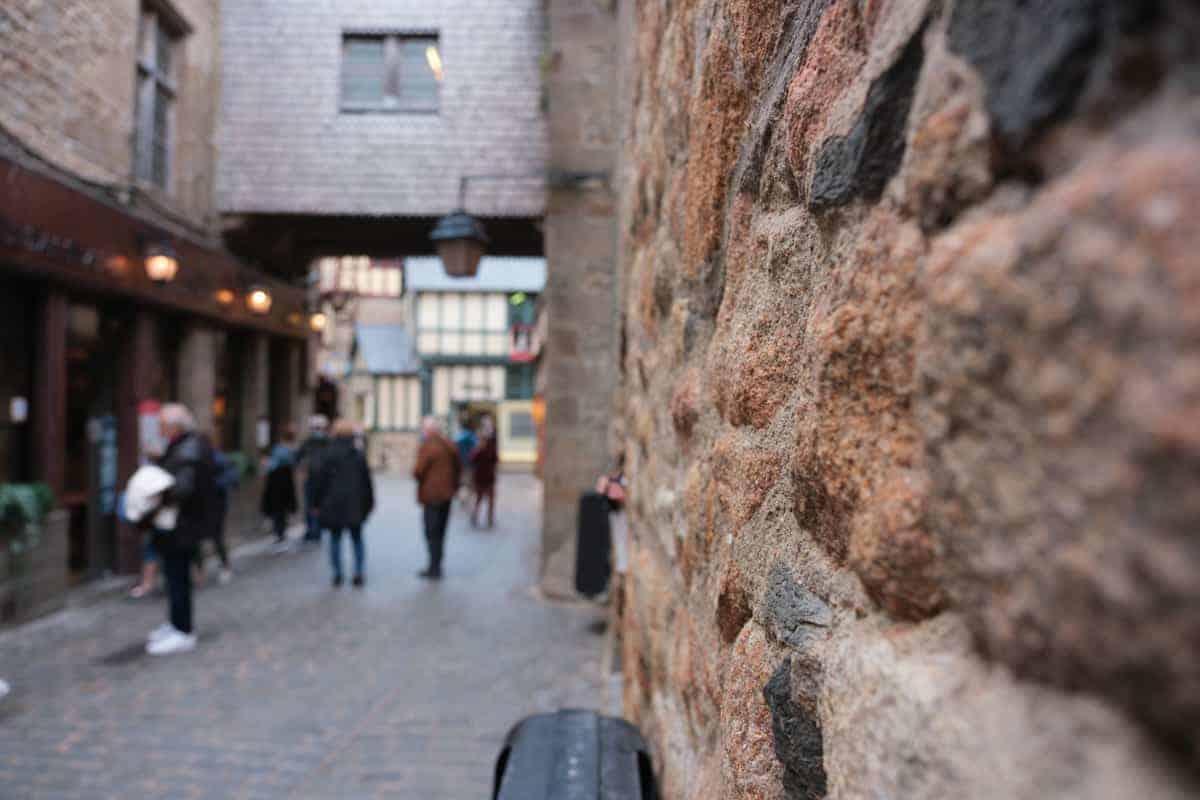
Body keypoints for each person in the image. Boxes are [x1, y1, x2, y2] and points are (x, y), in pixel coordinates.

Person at [147, 403, 219, 656]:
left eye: (162, 426)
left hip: (182, 524)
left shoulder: (188, 448)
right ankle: (176, 624)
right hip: (182, 524)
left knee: (178, 577)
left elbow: (183, 488)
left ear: (173, 426)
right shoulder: (187, 446)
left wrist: (159, 491)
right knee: (174, 575)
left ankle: (183, 630)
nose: (159, 430)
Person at [312, 418, 375, 587]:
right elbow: (367, 483)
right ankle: (358, 572)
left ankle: (337, 573)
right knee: (357, 538)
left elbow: (319, 481)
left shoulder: (327, 454)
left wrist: (316, 503)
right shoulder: (358, 455)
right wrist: (369, 503)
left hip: (333, 503)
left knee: (335, 538)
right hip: (354, 504)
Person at [412, 416, 460, 580]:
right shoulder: (448, 445)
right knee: (440, 531)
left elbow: (418, 471)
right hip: (446, 494)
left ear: (428, 430)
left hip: (432, 495)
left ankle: (434, 568)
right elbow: (458, 467)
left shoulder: (428, 446)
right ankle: (437, 564)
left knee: (431, 532)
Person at [261, 424, 299, 554]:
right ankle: (281, 536)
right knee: (282, 511)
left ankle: (280, 537)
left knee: (279, 511)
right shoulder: (291, 449)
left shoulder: (281, 449)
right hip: (285, 484)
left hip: (278, 484)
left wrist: (267, 464)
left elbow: (272, 465)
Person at [297, 414, 331, 543]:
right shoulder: (308, 442)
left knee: (318, 505)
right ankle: (311, 529)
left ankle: (317, 529)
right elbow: (298, 457)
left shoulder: (328, 442)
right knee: (309, 505)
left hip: (324, 479)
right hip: (311, 478)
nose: (317, 430)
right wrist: (302, 468)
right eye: (314, 427)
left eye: (319, 427)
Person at [470, 416, 499, 529]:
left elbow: (495, 458)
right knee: (480, 498)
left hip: (487, 475)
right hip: (482, 475)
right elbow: (473, 458)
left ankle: (489, 518)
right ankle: (477, 516)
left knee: (486, 498)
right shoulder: (480, 445)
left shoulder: (491, 444)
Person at [454, 416, 477, 509]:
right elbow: (476, 449)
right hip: (469, 463)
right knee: (467, 482)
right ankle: (465, 498)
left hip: (460, 462)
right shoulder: (472, 437)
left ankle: (462, 498)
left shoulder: (458, 437)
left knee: (462, 482)